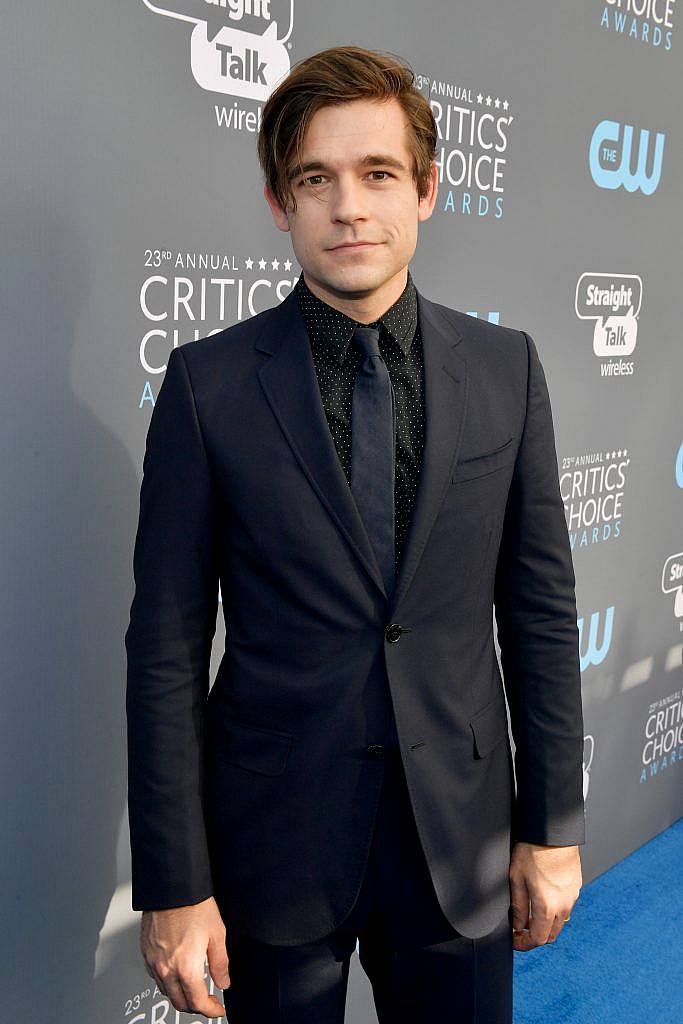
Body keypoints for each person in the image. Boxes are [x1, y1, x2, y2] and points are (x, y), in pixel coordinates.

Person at [125, 44, 585, 1024]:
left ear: (425, 188)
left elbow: (539, 609)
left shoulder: (506, 368)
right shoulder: (208, 388)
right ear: (277, 202)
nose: (347, 206)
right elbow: (164, 649)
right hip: (273, 844)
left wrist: (551, 828)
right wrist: (172, 881)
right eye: (314, 179)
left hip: (459, 840)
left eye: (377, 174)